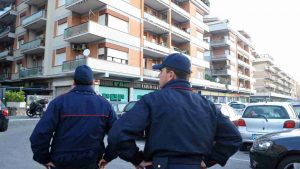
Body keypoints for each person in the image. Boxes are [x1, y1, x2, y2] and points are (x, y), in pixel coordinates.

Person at [99, 53, 242, 169]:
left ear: (170, 74)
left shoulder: (152, 100)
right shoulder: (207, 105)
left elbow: (117, 134)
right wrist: (210, 161)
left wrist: (137, 159)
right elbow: (233, 138)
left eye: (161, 71)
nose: (158, 76)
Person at [30, 65, 117, 169]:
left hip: (61, 162)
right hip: (92, 162)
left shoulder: (58, 103)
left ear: (74, 82)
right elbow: (118, 136)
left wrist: (44, 159)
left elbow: (40, 135)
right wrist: (108, 157)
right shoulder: (105, 105)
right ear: (92, 82)